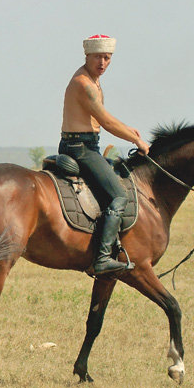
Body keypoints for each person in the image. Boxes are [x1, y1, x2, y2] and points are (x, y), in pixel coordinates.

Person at [60, 34, 151, 275]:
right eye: (98, 57)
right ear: (87, 56)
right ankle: (102, 259)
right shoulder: (84, 83)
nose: (102, 63)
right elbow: (106, 121)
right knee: (119, 196)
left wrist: (128, 128)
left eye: (107, 58)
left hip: (88, 144)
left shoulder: (93, 81)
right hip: (80, 148)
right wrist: (136, 140)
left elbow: (101, 117)